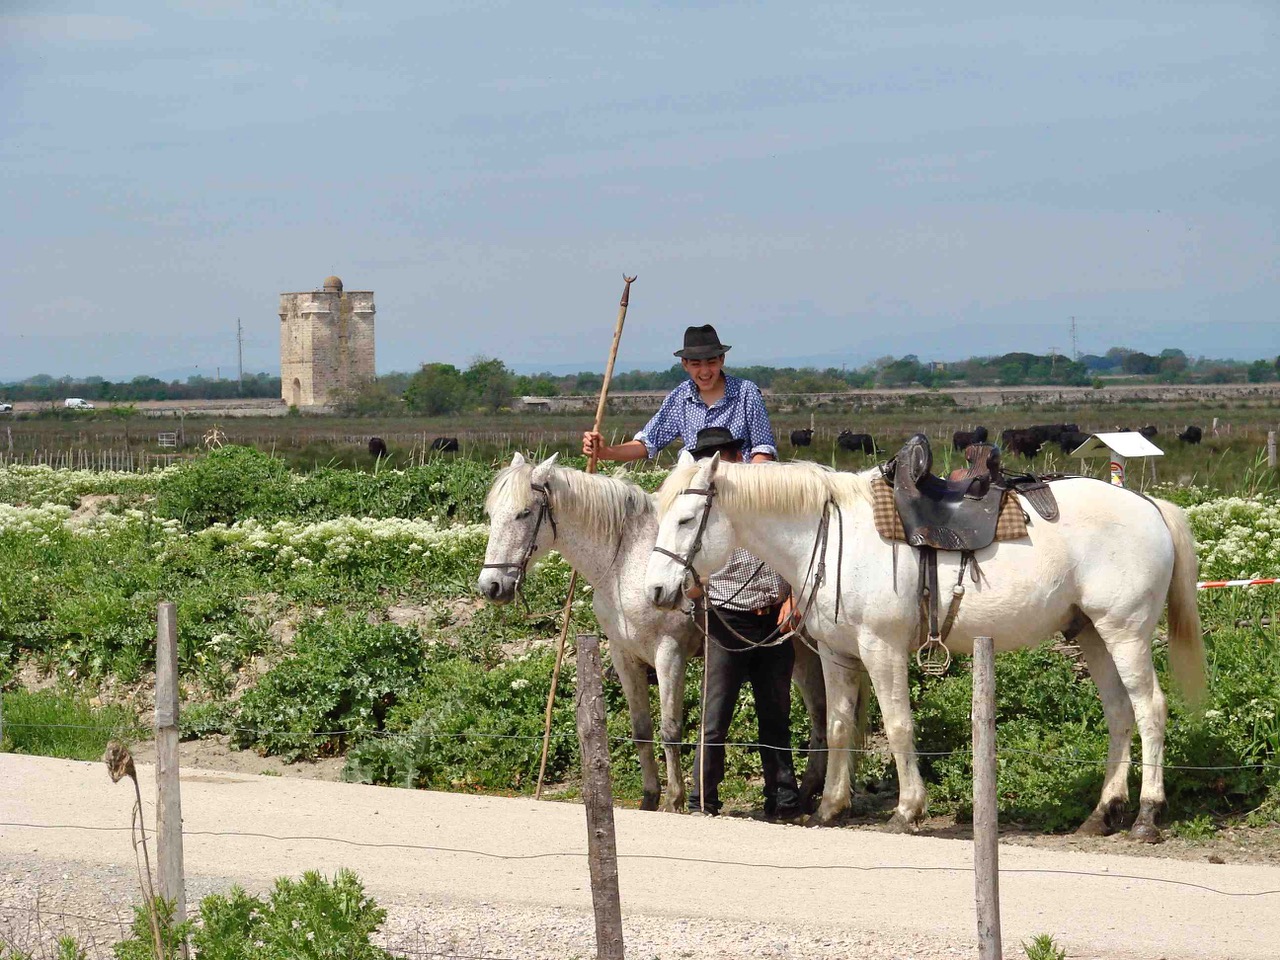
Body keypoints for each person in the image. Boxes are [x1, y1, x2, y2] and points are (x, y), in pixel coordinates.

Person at [681, 426, 803, 822]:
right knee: (715, 717)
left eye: (726, 456)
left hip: (771, 618)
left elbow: (795, 555)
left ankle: (783, 801)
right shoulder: (704, 510)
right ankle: (703, 801)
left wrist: (793, 597)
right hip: (727, 619)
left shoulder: (766, 504)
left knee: (776, 716)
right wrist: (697, 592)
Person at [582, 324, 777, 464]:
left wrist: (747, 486)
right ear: (684, 364)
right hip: (692, 490)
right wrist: (605, 452)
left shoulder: (746, 393)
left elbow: (763, 450)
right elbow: (647, 443)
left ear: (721, 359)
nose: (705, 371)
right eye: (696, 364)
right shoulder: (679, 398)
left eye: (711, 362)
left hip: (739, 487)